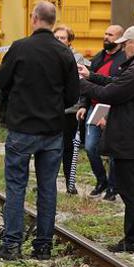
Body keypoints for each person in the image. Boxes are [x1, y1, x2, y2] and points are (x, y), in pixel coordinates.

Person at [0, 0, 79, 261]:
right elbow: (73, 95)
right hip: (52, 131)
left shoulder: (20, 48)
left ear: (34, 18)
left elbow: (2, 82)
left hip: (22, 129)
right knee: (48, 187)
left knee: (16, 186)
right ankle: (43, 246)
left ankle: (12, 244)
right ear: (52, 21)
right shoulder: (64, 53)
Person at [77, 26, 134, 253]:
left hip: (129, 138)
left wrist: (81, 83)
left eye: (125, 44)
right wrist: (91, 75)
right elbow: (116, 83)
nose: (122, 49)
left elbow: (109, 94)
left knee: (130, 189)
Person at [81, 24, 128, 198]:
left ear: (120, 39)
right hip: (95, 107)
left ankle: (113, 188)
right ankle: (102, 180)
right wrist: (83, 106)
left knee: (113, 150)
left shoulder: (124, 59)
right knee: (91, 146)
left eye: (110, 34)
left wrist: (107, 115)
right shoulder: (98, 57)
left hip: (112, 107)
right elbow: (88, 83)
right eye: (105, 33)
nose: (106, 37)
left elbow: (119, 85)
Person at [53, 25, 84, 195]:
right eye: (56, 37)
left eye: (62, 38)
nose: (59, 41)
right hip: (51, 109)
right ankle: (47, 181)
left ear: (69, 41)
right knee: (49, 147)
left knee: (68, 148)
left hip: (69, 110)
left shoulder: (77, 58)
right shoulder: (48, 55)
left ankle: (69, 183)